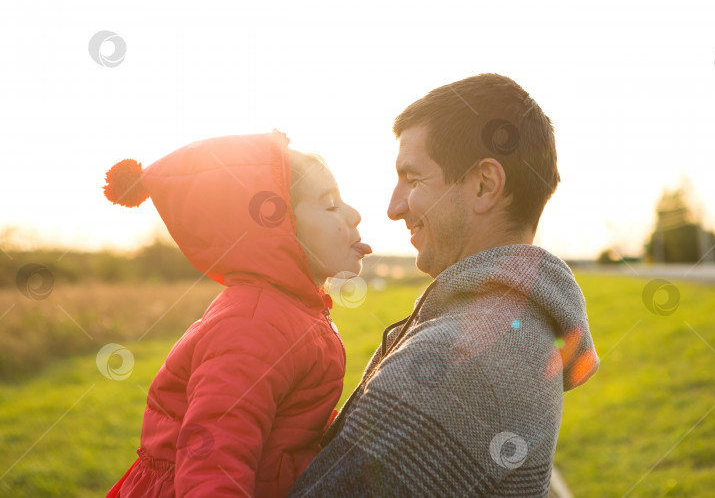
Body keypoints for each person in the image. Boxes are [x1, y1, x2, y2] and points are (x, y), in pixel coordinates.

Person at [290, 73, 600, 497]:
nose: (394, 207)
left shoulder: (454, 363)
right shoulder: (522, 325)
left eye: (413, 179)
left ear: (484, 185)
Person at [102, 130, 372, 497]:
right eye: (330, 205)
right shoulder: (255, 324)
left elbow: (291, 418)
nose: (355, 214)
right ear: (279, 227)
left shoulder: (291, 308)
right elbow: (213, 454)